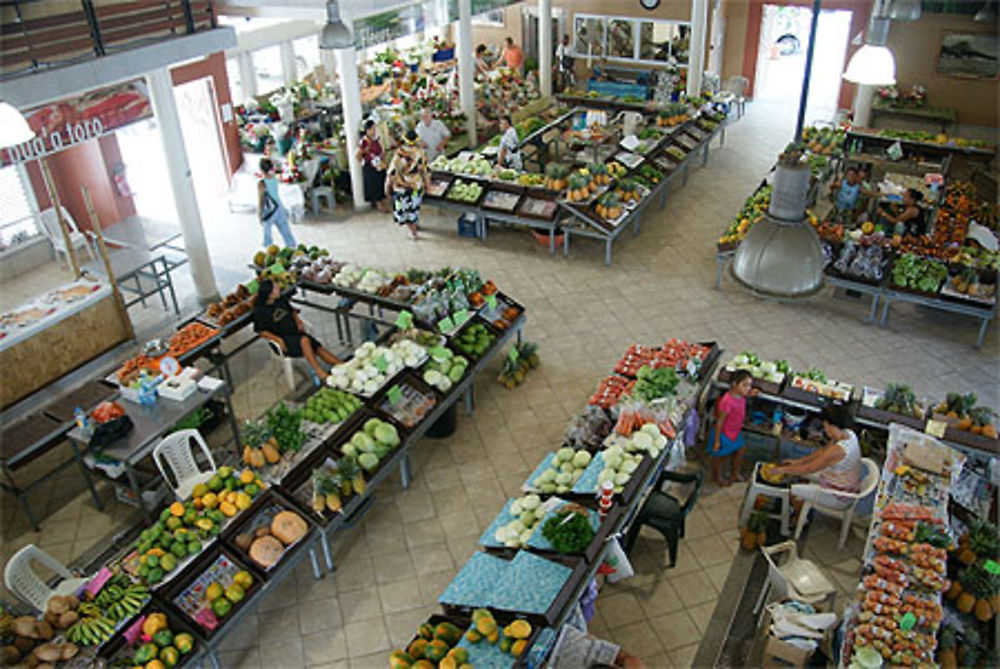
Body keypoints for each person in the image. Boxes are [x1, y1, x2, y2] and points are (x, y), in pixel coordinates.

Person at [769, 403, 863, 513]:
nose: (824, 429)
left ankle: (793, 521)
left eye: (825, 426)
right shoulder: (848, 434)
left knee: (791, 490)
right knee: (796, 472)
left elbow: (810, 468)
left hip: (839, 495)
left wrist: (781, 470)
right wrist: (797, 462)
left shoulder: (839, 450)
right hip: (837, 479)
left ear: (831, 426)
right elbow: (822, 451)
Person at [252, 278, 340, 380]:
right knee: (305, 341)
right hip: (284, 342)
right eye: (276, 288)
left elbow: (292, 311)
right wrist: (278, 339)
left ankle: (342, 365)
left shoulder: (280, 299)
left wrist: (298, 321)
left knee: (318, 348)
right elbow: (261, 331)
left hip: (295, 333)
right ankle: (319, 372)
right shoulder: (260, 311)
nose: (279, 288)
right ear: (269, 294)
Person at [708, 370, 757, 486]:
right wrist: (716, 441)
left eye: (749, 385)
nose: (748, 388)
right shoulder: (727, 402)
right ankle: (716, 476)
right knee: (720, 457)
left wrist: (751, 394)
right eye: (744, 385)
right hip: (724, 434)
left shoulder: (741, 395)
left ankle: (735, 473)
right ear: (734, 384)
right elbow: (719, 422)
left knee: (741, 450)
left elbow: (744, 396)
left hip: (735, 432)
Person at [385, 129, 429, 240]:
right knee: (414, 208)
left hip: (402, 186)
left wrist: (387, 186)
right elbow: (425, 170)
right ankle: (414, 225)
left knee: (404, 210)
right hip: (416, 185)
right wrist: (427, 184)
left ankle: (413, 231)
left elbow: (392, 171)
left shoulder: (399, 153)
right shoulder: (420, 152)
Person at [258, 158, 297, 248]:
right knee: (285, 230)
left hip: (268, 210)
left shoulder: (261, 183)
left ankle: (268, 250)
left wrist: (259, 213)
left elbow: (261, 199)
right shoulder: (274, 179)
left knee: (267, 233)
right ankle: (292, 247)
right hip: (279, 206)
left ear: (261, 170)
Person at [357, 120, 389, 214]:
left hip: (379, 165)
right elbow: (358, 156)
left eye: (374, 129)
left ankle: (382, 201)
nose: (373, 131)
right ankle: (379, 204)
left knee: (380, 183)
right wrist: (365, 157)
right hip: (370, 166)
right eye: (371, 129)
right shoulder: (364, 142)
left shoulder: (375, 139)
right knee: (374, 185)